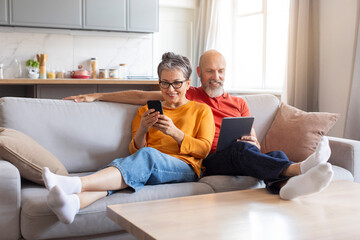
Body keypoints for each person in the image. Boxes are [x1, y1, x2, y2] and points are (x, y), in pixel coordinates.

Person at [64, 49, 334, 201]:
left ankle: (285, 185)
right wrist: (97, 94)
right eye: (210, 71)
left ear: (225, 73)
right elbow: (138, 96)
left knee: (268, 155)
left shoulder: (239, 103)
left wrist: (254, 143)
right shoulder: (186, 94)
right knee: (246, 154)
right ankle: (298, 169)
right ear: (199, 76)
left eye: (220, 71)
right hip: (207, 158)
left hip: (235, 154)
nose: (215, 77)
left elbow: (256, 143)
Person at [43, 52, 215, 224]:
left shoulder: (201, 110)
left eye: (177, 83)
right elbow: (135, 151)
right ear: (159, 83)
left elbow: (204, 150)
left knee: (146, 157)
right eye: (165, 83)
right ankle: (74, 203)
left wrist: (174, 132)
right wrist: (143, 129)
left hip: (186, 168)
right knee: (128, 172)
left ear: (188, 84)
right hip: (148, 166)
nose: (170, 89)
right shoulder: (144, 111)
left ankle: (77, 183)